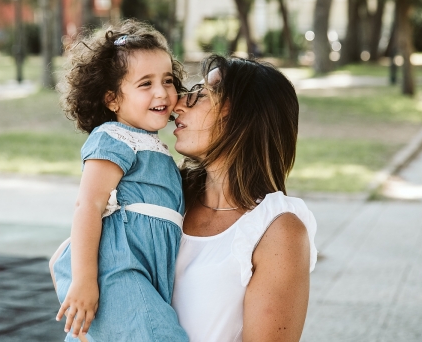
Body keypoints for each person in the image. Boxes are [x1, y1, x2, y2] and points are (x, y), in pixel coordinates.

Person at [49, 20, 189, 342]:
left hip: (147, 270)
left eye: (168, 80)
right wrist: (84, 279)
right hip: (118, 270)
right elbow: (88, 205)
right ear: (112, 99)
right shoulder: (113, 137)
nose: (162, 92)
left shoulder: (156, 147)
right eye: (145, 84)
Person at [171, 55, 318, 342]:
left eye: (202, 94)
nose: (177, 105)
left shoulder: (277, 231)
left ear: (239, 115)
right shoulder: (168, 194)